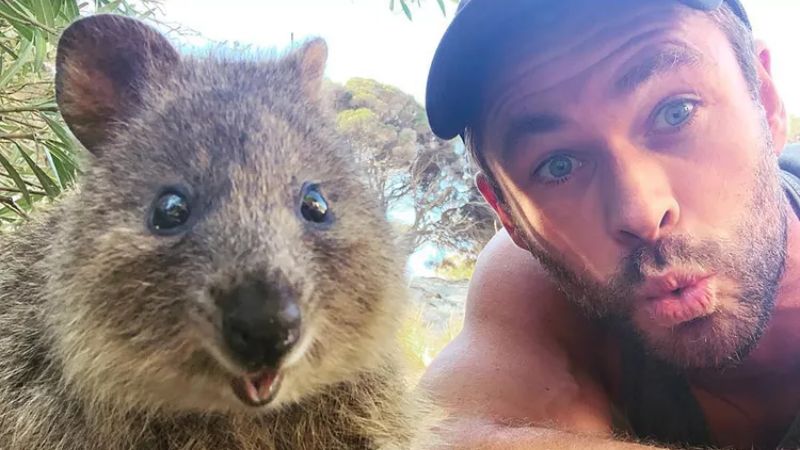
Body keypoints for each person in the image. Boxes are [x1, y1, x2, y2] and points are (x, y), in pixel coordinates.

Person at [421, 0, 800, 449]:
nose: (640, 213)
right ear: (509, 216)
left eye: (676, 112)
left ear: (767, 100)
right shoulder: (533, 278)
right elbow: (436, 435)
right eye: (558, 165)